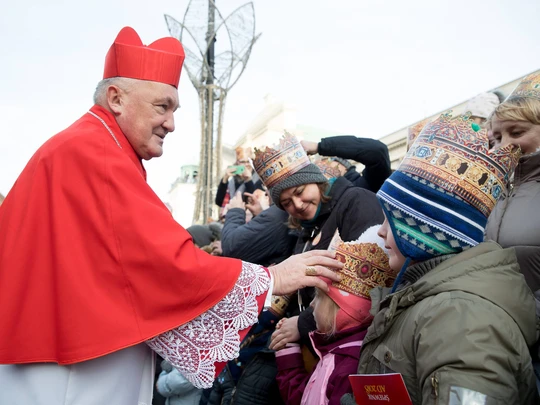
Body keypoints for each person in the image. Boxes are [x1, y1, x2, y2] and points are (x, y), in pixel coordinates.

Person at [0, 27, 343, 405]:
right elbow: (161, 260)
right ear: (116, 98)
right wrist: (274, 277)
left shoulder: (88, 145)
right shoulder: (95, 153)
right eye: (162, 106)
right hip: (72, 365)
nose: (171, 123)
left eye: (174, 110)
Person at [341, 112, 538, 405]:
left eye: (391, 221)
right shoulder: (428, 299)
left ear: (423, 232)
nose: (380, 233)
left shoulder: (463, 322)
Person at [254, 133, 384, 355]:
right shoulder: (304, 230)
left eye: (299, 192)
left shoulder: (355, 201)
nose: (298, 204)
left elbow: (366, 286)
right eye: (286, 203)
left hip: (354, 348)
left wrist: (303, 324)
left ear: (315, 180)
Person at [273, 226, 396, 405]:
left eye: (319, 297)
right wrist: (288, 352)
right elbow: (303, 397)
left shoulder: (348, 368)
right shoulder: (332, 354)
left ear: (343, 311)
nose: (312, 304)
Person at [485, 70, 540, 390]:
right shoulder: (496, 192)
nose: (504, 146)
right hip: (501, 344)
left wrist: (521, 320)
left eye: (516, 132)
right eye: (496, 138)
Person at [301, 134, 392, 192]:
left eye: (327, 161)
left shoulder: (366, 184)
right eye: (317, 164)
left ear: (344, 166)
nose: (320, 166)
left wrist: (319, 147)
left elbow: (377, 151)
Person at [215, 146, 264, 211]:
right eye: (243, 162)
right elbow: (219, 202)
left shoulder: (259, 178)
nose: (246, 164)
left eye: (248, 161)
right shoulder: (233, 181)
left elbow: (253, 201)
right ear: (237, 163)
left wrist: (248, 180)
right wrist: (225, 179)